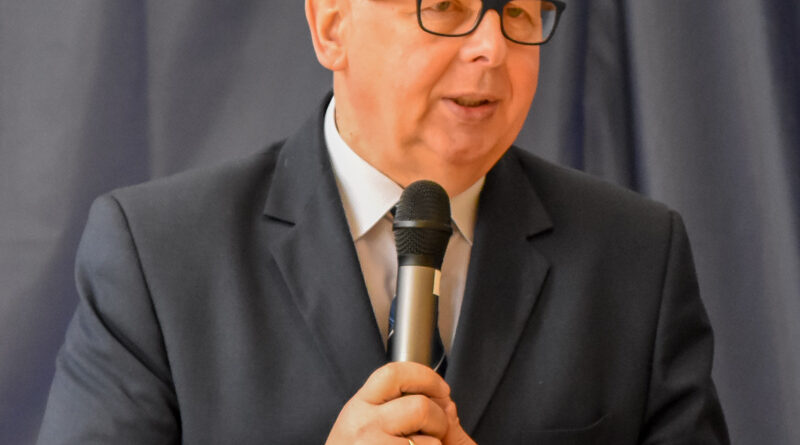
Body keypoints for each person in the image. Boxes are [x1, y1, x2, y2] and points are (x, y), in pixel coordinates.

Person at [38, 1, 729, 443]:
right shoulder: (157, 257)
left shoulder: (637, 256)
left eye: (519, 12)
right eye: (446, 6)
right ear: (331, 25)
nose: (492, 47)